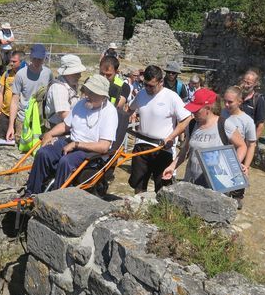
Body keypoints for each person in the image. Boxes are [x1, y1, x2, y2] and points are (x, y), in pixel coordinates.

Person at [23, 75, 118, 196]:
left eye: (92, 93)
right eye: (87, 92)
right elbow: (66, 125)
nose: (87, 96)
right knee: (43, 153)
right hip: (72, 142)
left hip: (91, 151)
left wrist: (76, 144)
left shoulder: (109, 112)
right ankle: (31, 193)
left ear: (103, 96)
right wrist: (50, 133)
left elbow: (104, 146)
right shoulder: (81, 104)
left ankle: (55, 199)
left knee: (66, 162)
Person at [162, 88, 246, 200]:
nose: (193, 113)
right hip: (191, 182)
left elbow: (242, 146)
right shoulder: (192, 125)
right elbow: (185, 151)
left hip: (216, 186)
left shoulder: (224, 125)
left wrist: (234, 165)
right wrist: (172, 167)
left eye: (197, 110)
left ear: (208, 108)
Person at [127, 65, 192, 194]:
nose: (148, 88)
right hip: (141, 146)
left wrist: (171, 137)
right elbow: (129, 109)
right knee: (138, 186)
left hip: (162, 148)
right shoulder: (141, 94)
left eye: (151, 86)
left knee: (162, 188)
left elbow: (187, 119)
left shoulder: (171, 97)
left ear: (161, 82)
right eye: (145, 84)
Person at [6, 44, 53, 142]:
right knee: (22, 146)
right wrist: (11, 126)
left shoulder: (48, 73)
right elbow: (14, 101)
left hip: (41, 120)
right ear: (30, 57)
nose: (37, 62)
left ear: (44, 58)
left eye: (40, 59)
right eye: (34, 58)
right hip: (23, 118)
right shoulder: (21, 74)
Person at [222, 86, 257, 175]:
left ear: (239, 102)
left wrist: (246, 166)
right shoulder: (221, 113)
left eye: (230, 102)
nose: (226, 104)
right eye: (225, 101)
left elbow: (251, 145)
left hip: (237, 161)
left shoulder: (247, 121)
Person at [45, 54, 85, 128]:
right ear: (67, 73)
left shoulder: (71, 85)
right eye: (76, 73)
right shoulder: (58, 88)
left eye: (79, 73)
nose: (79, 76)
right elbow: (65, 115)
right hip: (57, 130)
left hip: (69, 126)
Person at [0, 50, 24, 141]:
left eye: (14, 61)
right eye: (11, 61)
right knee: (0, 140)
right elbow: (1, 93)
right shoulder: (7, 74)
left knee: (16, 142)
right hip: (5, 115)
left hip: (18, 116)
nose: (11, 63)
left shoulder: (26, 75)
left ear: (21, 62)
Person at [239, 68, 265, 139]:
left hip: (248, 138)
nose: (245, 85)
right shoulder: (237, 95)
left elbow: (261, 125)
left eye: (248, 83)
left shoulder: (258, 100)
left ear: (255, 84)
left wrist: (253, 143)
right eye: (244, 82)